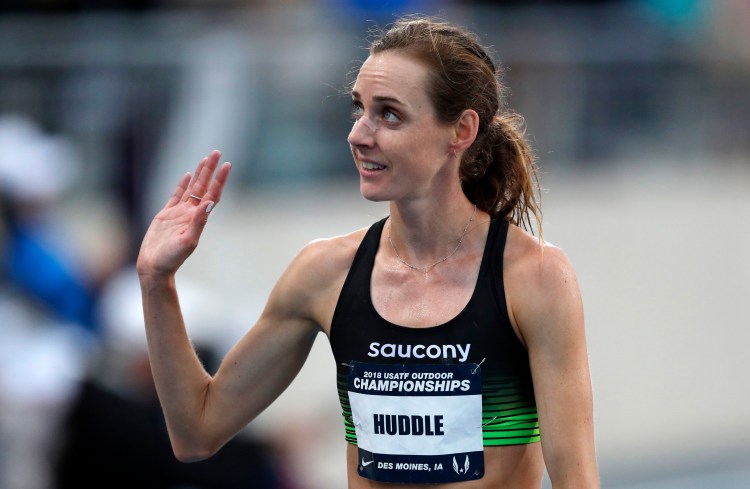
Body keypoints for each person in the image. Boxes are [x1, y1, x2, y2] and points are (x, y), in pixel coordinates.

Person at [137, 16, 600, 489]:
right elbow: (195, 432)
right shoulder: (324, 273)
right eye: (359, 109)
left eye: (389, 114)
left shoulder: (533, 277)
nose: (359, 134)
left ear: (460, 131)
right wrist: (157, 282)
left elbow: (577, 481)